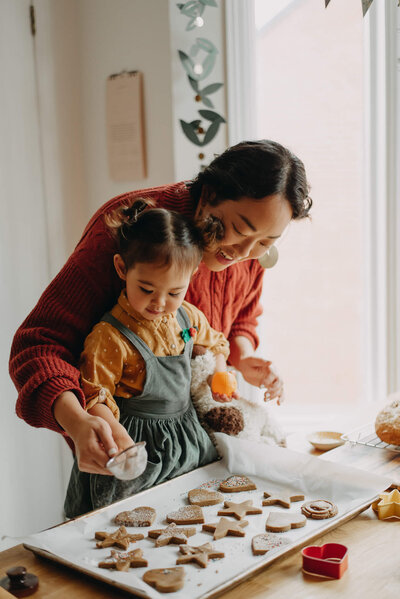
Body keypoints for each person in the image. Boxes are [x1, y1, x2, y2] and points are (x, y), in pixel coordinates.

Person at [9, 139, 311, 479]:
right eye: (239, 230)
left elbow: (241, 316)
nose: (245, 252)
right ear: (209, 194)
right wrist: (78, 421)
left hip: (205, 449)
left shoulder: (249, 250)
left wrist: (243, 354)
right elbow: (38, 346)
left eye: (266, 243)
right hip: (128, 453)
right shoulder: (133, 228)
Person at [64, 202, 232, 517]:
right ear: (122, 269)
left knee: (193, 515)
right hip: (137, 446)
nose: (159, 302)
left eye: (174, 292)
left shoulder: (188, 317)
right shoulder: (110, 336)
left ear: (192, 277)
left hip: (188, 438)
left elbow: (216, 343)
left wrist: (218, 373)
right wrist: (114, 433)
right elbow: (93, 393)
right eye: (146, 288)